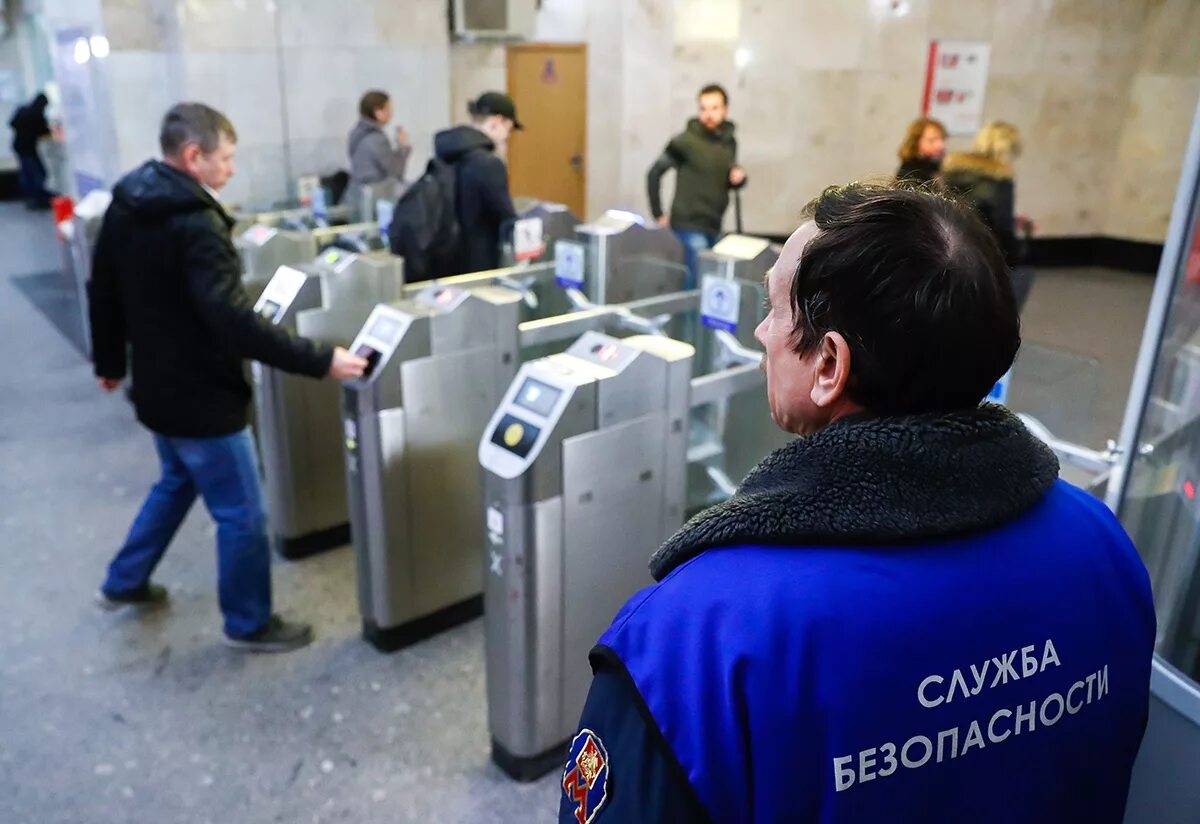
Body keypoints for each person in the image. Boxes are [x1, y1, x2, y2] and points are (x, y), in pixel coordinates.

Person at [559, 183, 1154, 823]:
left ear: (829, 365)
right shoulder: (1102, 547)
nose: (759, 333)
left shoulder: (696, 639)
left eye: (774, 309)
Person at [88, 102, 369, 653]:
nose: (231, 170)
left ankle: (124, 581)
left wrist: (109, 363)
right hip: (202, 398)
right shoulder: (197, 224)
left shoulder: (129, 202)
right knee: (243, 513)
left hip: (156, 387)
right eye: (226, 158)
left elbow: (104, 287)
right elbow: (231, 320)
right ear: (194, 157)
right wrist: (320, 360)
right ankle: (248, 622)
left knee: (176, 482)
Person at [647, 84, 747, 288]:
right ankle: (687, 320)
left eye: (714, 108)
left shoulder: (729, 142)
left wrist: (738, 178)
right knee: (697, 285)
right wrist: (658, 213)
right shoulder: (684, 142)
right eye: (703, 108)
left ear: (725, 109)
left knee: (710, 285)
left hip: (714, 224)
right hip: (688, 224)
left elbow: (726, 179)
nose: (708, 114)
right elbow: (654, 173)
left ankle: (694, 320)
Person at [433, 91, 520, 274]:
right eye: (508, 129)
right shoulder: (488, 164)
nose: (507, 137)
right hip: (478, 264)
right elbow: (506, 219)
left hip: (446, 259)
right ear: (496, 122)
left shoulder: (448, 153)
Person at [942, 121, 1022, 266]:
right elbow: (1003, 225)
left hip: (951, 248)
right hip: (986, 254)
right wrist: (1015, 258)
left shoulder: (954, 173)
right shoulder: (1001, 180)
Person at [347, 89, 411, 187]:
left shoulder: (356, 133)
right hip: (376, 192)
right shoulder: (377, 139)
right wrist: (402, 147)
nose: (391, 114)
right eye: (388, 110)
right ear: (378, 112)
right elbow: (396, 172)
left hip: (358, 191)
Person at [8, 92, 52, 209]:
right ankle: (37, 199)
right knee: (38, 173)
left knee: (28, 174)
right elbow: (45, 132)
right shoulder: (38, 115)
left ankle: (32, 198)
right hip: (29, 148)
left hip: (19, 146)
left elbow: (12, 123)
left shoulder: (22, 110)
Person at [895, 116, 946, 185]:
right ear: (916, 141)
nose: (940, 145)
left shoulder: (934, 165)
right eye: (932, 140)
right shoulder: (910, 173)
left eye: (942, 139)